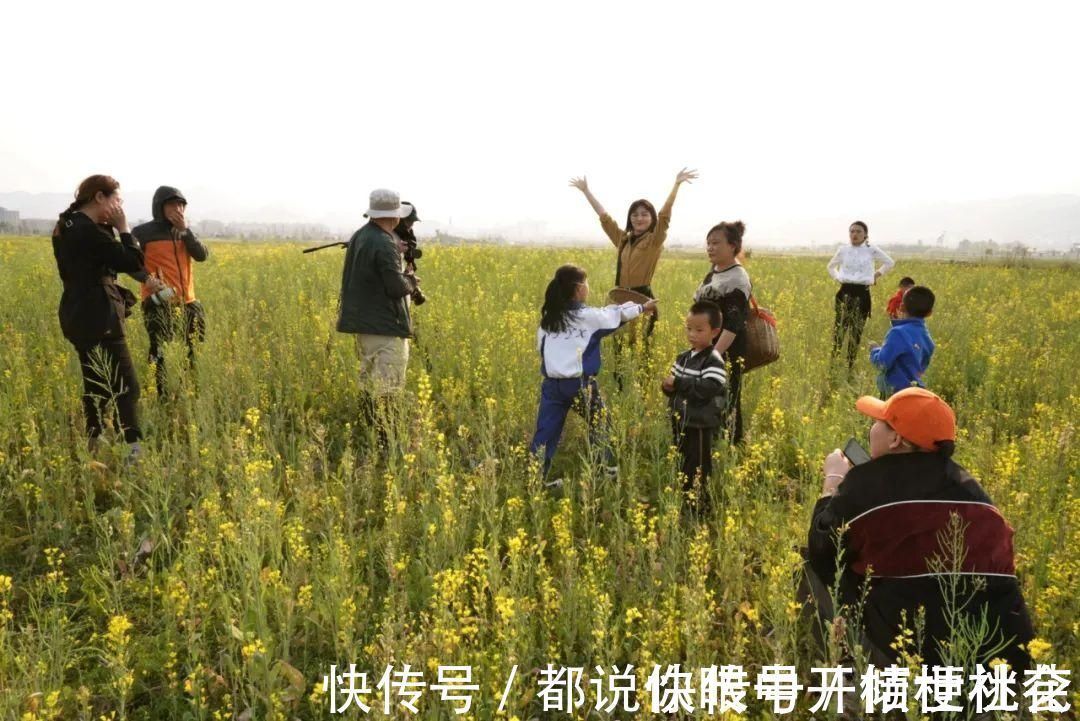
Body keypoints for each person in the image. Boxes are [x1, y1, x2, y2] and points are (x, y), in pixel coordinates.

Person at [804, 388, 1035, 671]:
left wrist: (833, 481)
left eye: (878, 421)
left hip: (917, 670)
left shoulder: (865, 483)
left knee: (808, 569)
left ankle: (848, 685)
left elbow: (822, 550)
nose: (870, 427)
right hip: (1001, 670)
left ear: (896, 439)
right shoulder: (975, 493)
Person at [529, 264, 657, 486]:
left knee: (545, 433)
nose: (587, 287)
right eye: (586, 283)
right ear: (579, 289)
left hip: (551, 385)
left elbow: (542, 348)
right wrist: (643, 307)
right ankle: (606, 471)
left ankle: (534, 480)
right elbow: (615, 314)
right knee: (601, 424)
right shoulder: (588, 317)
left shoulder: (548, 319)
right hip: (579, 385)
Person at [51, 175, 146, 460]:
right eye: (117, 200)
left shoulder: (67, 225)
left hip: (78, 315)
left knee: (96, 386)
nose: (120, 206)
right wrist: (124, 228)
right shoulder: (88, 231)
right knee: (128, 388)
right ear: (99, 198)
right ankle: (135, 456)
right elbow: (133, 261)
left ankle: (93, 451)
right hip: (100, 317)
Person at [569, 168, 697, 342]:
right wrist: (586, 191)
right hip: (620, 298)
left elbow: (664, 215)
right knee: (619, 344)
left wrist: (676, 185)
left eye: (645, 214)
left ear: (652, 218)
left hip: (641, 297)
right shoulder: (623, 239)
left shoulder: (654, 240)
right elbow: (604, 217)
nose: (639, 218)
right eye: (634, 215)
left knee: (641, 346)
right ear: (630, 219)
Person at [336, 189, 419, 438]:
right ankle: (385, 442)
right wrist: (411, 283)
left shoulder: (361, 235)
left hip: (366, 325)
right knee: (388, 389)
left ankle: (367, 433)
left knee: (369, 383)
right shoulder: (383, 242)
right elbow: (395, 287)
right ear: (393, 217)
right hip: (385, 326)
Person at [131, 186, 209, 396]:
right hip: (158, 303)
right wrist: (147, 280)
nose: (178, 209)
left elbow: (201, 255)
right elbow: (130, 262)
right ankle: (161, 396)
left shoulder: (184, 232)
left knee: (194, 350)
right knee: (160, 352)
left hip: (189, 302)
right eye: (172, 204)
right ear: (159, 207)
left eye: (181, 205)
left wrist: (185, 231)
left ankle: (190, 391)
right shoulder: (143, 233)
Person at [662, 301, 728, 508]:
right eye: (689, 329)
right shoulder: (683, 357)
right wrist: (667, 387)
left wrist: (678, 383)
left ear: (714, 332)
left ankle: (700, 503)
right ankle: (685, 497)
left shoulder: (713, 360)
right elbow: (674, 384)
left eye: (699, 330)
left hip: (700, 423)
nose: (692, 334)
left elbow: (708, 388)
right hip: (681, 420)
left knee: (699, 463)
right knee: (683, 460)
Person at [693, 221, 751, 445]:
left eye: (716, 243)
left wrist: (712, 356)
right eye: (708, 243)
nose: (710, 247)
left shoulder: (737, 279)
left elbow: (733, 326)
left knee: (728, 397)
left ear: (733, 246)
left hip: (726, 350)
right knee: (710, 395)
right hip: (707, 346)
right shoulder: (716, 271)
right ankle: (714, 439)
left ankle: (733, 445)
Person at [827, 221, 895, 371]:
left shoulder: (872, 250)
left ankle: (850, 365)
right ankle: (833, 364)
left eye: (858, 231)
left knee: (856, 332)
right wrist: (838, 278)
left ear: (865, 234)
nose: (854, 234)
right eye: (852, 231)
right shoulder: (843, 250)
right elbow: (830, 267)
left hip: (863, 293)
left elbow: (889, 262)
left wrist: (876, 275)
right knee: (839, 330)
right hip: (844, 292)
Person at [869, 285, 935, 397]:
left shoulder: (897, 333)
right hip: (914, 392)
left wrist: (874, 350)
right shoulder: (927, 338)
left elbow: (882, 363)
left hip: (893, 393)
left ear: (902, 307)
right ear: (929, 313)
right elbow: (920, 366)